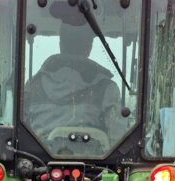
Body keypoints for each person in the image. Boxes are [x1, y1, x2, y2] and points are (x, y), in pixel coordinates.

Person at [24, 18, 123, 147]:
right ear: (89, 45)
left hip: (40, 163)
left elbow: (22, 135)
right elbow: (118, 139)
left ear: (61, 44)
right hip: (97, 164)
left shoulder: (33, 86)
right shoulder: (107, 88)